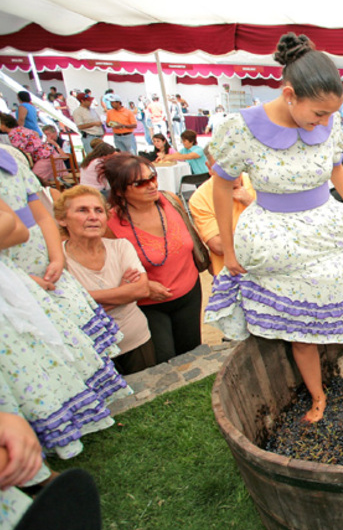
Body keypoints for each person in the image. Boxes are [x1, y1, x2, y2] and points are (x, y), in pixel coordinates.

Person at [204, 32, 343, 423]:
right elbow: (222, 186)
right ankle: (317, 397)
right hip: (276, 236)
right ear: (290, 95)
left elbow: (337, 168)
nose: (325, 121)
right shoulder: (241, 129)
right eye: (318, 114)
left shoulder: (329, 120)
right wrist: (230, 251)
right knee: (299, 328)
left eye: (329, 114)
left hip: (326, 226)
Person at [0, 148, 130, 460]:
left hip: (48, 269)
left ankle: (92, 411)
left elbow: (40, 214)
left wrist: (56, 258)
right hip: (15, 280)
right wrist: (21, 280)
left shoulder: (11, 157)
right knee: (40, 359)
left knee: (78, 346)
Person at [104, 153, 202, 364]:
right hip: (149, 304)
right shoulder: (109, 224)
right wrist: (145, 285)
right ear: (120, 191)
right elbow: (110, 270)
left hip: (189, 294)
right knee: (164, 360)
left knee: (192, 354)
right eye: (140, 183)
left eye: (153, 177)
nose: (152, 185)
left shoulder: (171, 201)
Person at [55, 186, 156, 375]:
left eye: (98, 211)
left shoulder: (121, 247)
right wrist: (122, 293)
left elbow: (141, 290)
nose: (93, 217)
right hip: (92, 350)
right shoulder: (56, 259)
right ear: (62, 219)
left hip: (136, 339)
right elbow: (65, 311)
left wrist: (84, 299)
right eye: (82, 210)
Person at [189, 151, 255, 276]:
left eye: (234, 165)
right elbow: (218, 246)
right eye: (222, 168)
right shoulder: (200, 198)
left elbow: (282, 228)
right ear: (209, 168)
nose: (231, 173)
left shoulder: (259, 183)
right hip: (230, 277)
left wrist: (251, 204)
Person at [0, 113, 65, 183]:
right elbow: (35, 134)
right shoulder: (20, 129)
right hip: (50, 154)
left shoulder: (13, 134)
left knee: (33, 180)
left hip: (44, 157)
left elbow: (20, 151)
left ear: (4, 124)